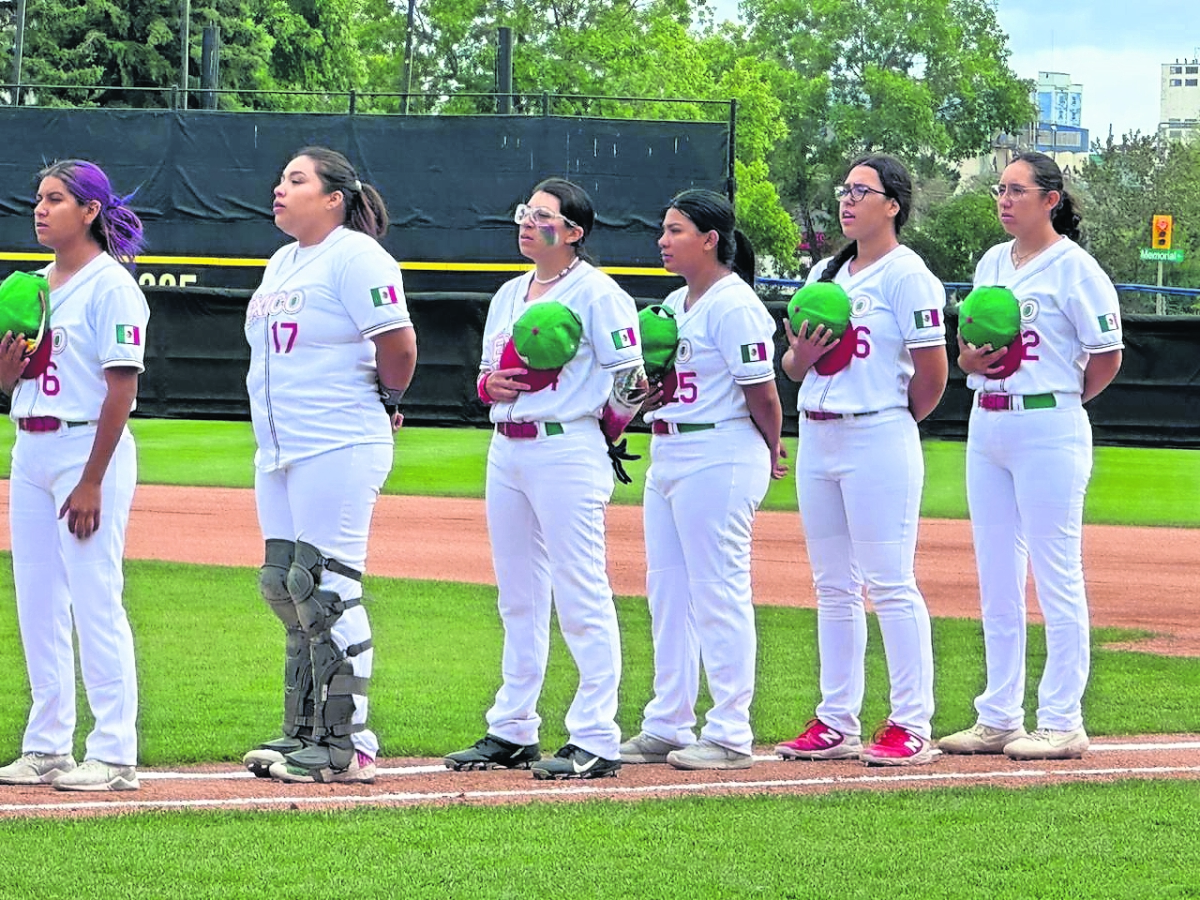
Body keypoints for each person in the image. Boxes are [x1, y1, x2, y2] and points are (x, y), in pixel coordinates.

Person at [444, 177, 645, 780]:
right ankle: (513, 728)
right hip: (508, 448)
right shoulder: (510, 292)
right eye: (525, 213)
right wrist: (488, 388)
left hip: (566, 446)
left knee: (581, 592)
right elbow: (485, 374)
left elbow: (631, 380)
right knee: (518, 597)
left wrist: (607, 432)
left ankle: (595, 737)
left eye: (542, 216)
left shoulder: (599, 293)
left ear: (574, 232)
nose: (527, 223)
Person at [240, 147, 417, 784]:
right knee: (285, 586)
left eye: (296, 180)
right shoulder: (283, 261)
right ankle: (305, 731)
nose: (280, 188)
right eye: (281, 177)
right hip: (282, 448)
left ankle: (350, 743)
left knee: (328, 588)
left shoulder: (357, 256)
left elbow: (398, 345)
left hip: (338, 441)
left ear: (334, 197)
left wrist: (388, 400)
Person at [938, 151, 1122, 761]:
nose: (1004, 198)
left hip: (1049, 425)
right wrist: (967, 364)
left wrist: (1063, 397)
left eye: (1017, 189)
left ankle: (1064, 719)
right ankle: (998, 715)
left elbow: (1106, 355)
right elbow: (971, 344)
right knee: (996, 574)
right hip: (987, 422)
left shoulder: (1077, 269)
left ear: (1051, 198)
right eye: (1000, 188)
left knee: (1056, 573)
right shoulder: (993, 261)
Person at [775, 153, 948, 767]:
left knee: (891, 583)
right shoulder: (828, 272)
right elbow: (794, 369)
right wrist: (799, 354)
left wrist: (893, 420)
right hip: (819, 434)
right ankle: (835, 720)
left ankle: (911, 722)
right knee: (832, 587)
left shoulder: (908, 275)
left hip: (878, 433)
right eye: (844, 189)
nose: (846, 200)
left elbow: (932, 373)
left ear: (893, 205)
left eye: (861, 191)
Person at [618, 189, 786, 771]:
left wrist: (771, 446)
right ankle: (668, 723)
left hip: (720, 448)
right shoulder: (675, 303)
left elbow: (761, 391)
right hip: (670, 447)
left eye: (676, 230)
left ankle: (731, 731)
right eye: (664, 230)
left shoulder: (734, 304)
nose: (663, 241)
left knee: (718, 591)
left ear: (710, 239)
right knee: (668, 593)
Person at [0, 160, 149, 792]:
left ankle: (115, 754)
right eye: (38, 198)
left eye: (56, 199)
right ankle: (48, 744)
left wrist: (92, 479)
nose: (40, 208)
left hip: (88, 447)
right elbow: (12, 384)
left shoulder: (111, 286)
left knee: (95, 599)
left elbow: (122, 390)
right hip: (29, 449)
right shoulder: (30, 286)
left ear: (89, 211)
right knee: (36, 603)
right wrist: (8, 372)